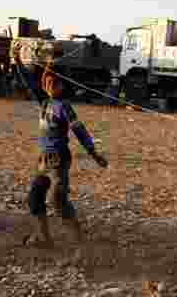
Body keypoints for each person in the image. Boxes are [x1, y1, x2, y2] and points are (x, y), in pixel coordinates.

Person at [26, 70, 108, 248]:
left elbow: (80, 132)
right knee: (34, 198)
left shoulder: (64, 107)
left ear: (61, 86)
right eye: (47, 83)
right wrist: (16, 59)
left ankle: (80, 246)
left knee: (58, 202)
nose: (49, 87)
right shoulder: (44, 102)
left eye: (54, 84)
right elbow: (30, 82)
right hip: (43, 161)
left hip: (58, 160)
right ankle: (44, 238)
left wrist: (94, 154)